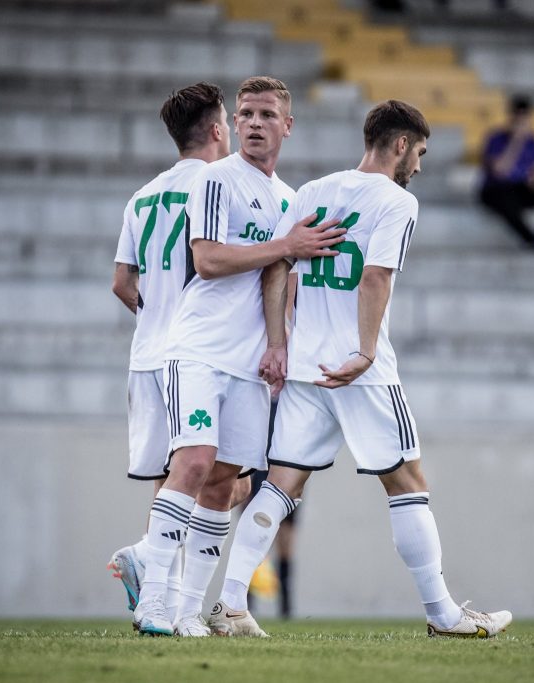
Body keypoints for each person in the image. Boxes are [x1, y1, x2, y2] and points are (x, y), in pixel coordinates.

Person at [206, 100, 513, 639]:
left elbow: (277, 267)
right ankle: (443, 613)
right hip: (359, 370)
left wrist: (281, 343)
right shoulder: (396, 201)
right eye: (417, 153)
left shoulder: (310, 192)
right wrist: (366, 352)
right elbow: (375, 278)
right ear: (399, 145)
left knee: (278, 488)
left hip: (306, 365)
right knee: (408, 482)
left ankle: (231, 604)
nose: (417, 165)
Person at [131, 76, 347, 637]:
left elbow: (279, 276)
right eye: (245, 113)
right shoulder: (214, 179)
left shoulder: (287, 199)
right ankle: (154, 601)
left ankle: (188, 610)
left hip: (248, 365)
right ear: (234, 124)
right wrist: (285, 245)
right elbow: (206, 260)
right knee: (195, 464)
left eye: (266, 114)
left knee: (228, 484)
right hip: (198, 349)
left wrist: (278, 346)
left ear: (287, 126)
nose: (253, 123)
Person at [106, 82, 232, 619]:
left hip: (147, 353)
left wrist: (155, 309)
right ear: (217, 130)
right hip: (197, 353)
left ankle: (160, 590)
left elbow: (120, 282)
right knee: (223, 477)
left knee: (175, 475)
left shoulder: (143, 195)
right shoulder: (223, 184)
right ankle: (157, 575)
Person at [479, 95, 534, 252]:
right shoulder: (496, 138)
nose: (521, 120)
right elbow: (499, 170)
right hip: (496, 188)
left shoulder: (533, 141)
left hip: (520, 187)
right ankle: (532, 239)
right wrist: (516, 141)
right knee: (505, 199)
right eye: (518, 115)